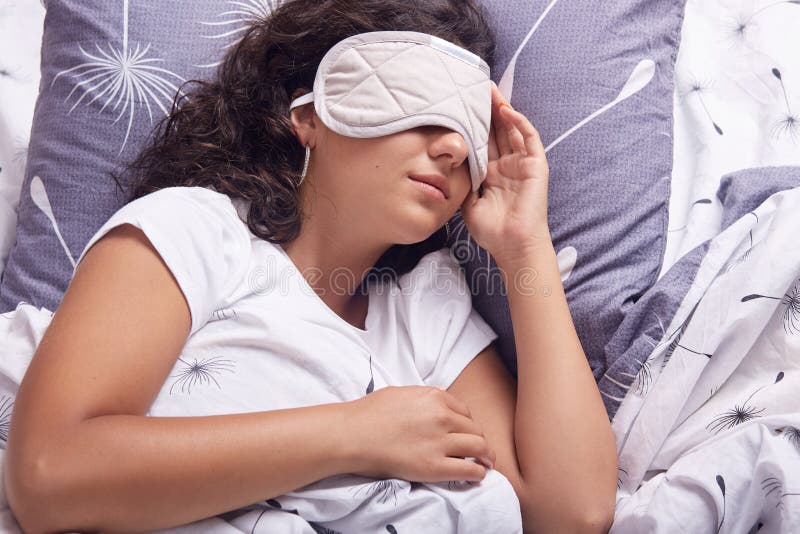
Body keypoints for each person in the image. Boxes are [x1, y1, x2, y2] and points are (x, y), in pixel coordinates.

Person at [2, 0, 617, 532]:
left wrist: (523, 247)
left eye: (470, 128)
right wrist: (354, 435)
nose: (453, 146)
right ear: (309, 117)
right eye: (421, 105)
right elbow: (49, 476)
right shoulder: (196, 233)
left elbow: (570, 514)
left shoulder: (431, 314)